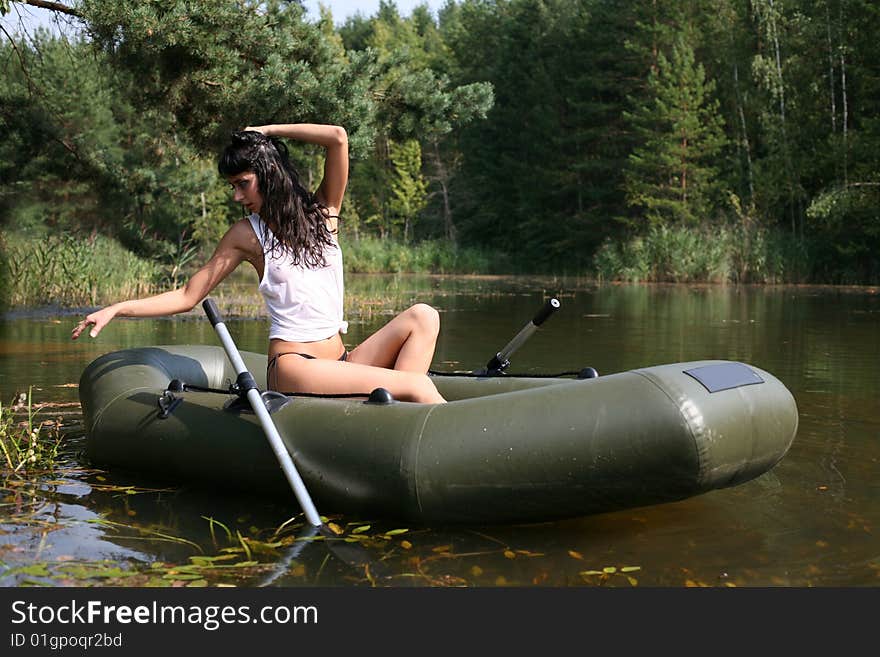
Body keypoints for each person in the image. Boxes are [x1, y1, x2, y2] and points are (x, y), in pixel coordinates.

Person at [72, 124, 446, 404]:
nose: (236, 195)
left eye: (242, 183)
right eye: (232, 186)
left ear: (268, 173)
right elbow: (188, 296)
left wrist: (265, 133)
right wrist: (118, 308)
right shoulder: (245, 235)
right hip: (294, 364)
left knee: (424, 316)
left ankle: (398, 424)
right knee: (415, 384)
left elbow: (338, 137)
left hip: (342, 358)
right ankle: (415, 419)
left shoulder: (324, 212)